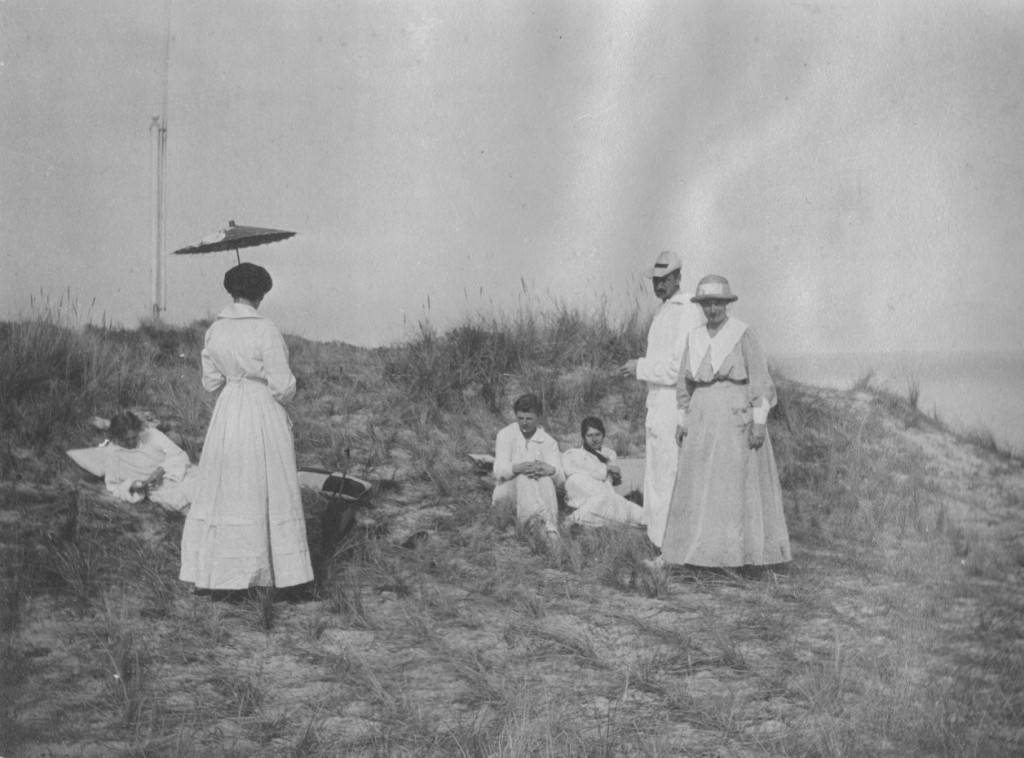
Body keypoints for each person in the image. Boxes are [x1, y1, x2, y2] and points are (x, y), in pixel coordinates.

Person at [179, 263, 314, 593]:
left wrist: (233, 377)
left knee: (229, 490)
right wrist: (291, 386)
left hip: (229, 410)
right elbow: (282, 386)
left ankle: (225, 578)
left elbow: (211, 382)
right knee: (268, 487)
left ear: (231, 291)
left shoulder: (216, 330)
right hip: (261, 409)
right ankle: (281, 577)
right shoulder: (265, 328)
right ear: (261, 293)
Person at [658, 275, 791, 569]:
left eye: (718, 302)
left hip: (734, 416)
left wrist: (759, 422)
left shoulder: (742, 334)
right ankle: (696, 555)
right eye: (707, 303)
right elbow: (684, 383)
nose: (712, 309)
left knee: (730, 487)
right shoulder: (694, 337)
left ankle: (734, 557)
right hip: (702, 415)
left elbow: (759, 379)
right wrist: (683, 419)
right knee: (698, 485)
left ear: (727, 304)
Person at [618, 250, 704, 551]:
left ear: (678, 277)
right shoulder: (665, 310)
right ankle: (657, 542)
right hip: (657, 404)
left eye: (665, 279)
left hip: (673, 403)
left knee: (669, 475)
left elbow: (678, 367)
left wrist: (638, 367)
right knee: (656, 474)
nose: (659, 285)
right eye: (655, 280)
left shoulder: (687, 310)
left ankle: (670, 548)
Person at [492, 393, 565, 538]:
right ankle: (534, 525)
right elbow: (498, 470)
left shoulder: (548, 441)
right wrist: (518, 468)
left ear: (538, 417)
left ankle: (549, 528)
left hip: (537, 492)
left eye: (529, 419)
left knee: (544, 478)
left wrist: (550, 470)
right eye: (520, 418)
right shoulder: (506, 434)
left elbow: (561, 478)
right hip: (507, 493)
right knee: (526, 476)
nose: (524, 422)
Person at [102, 410, 196, 513]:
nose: (132, 442)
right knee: (191, 499)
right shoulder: (113, 454)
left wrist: (162, 470)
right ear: (116, 438)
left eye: (134, 437)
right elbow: (113, 484)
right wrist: (133, 485)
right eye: (126, 440)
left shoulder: (152, 435)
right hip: (161, 488)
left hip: (180, 472)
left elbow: (179, 455)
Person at [562, 417, 644, 528]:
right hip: (582, 492)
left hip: (603, 495)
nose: (594, 439)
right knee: (610, 501)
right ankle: (573, 519)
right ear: (583, 437)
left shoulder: (610, 453)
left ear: (603, 435)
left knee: (615, 504)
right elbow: (578, 469)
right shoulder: (573, 454)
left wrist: (615, 478)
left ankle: (639, 521)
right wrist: (606, 469)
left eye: (598, 434)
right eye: (590, 436)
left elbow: (608, 481)